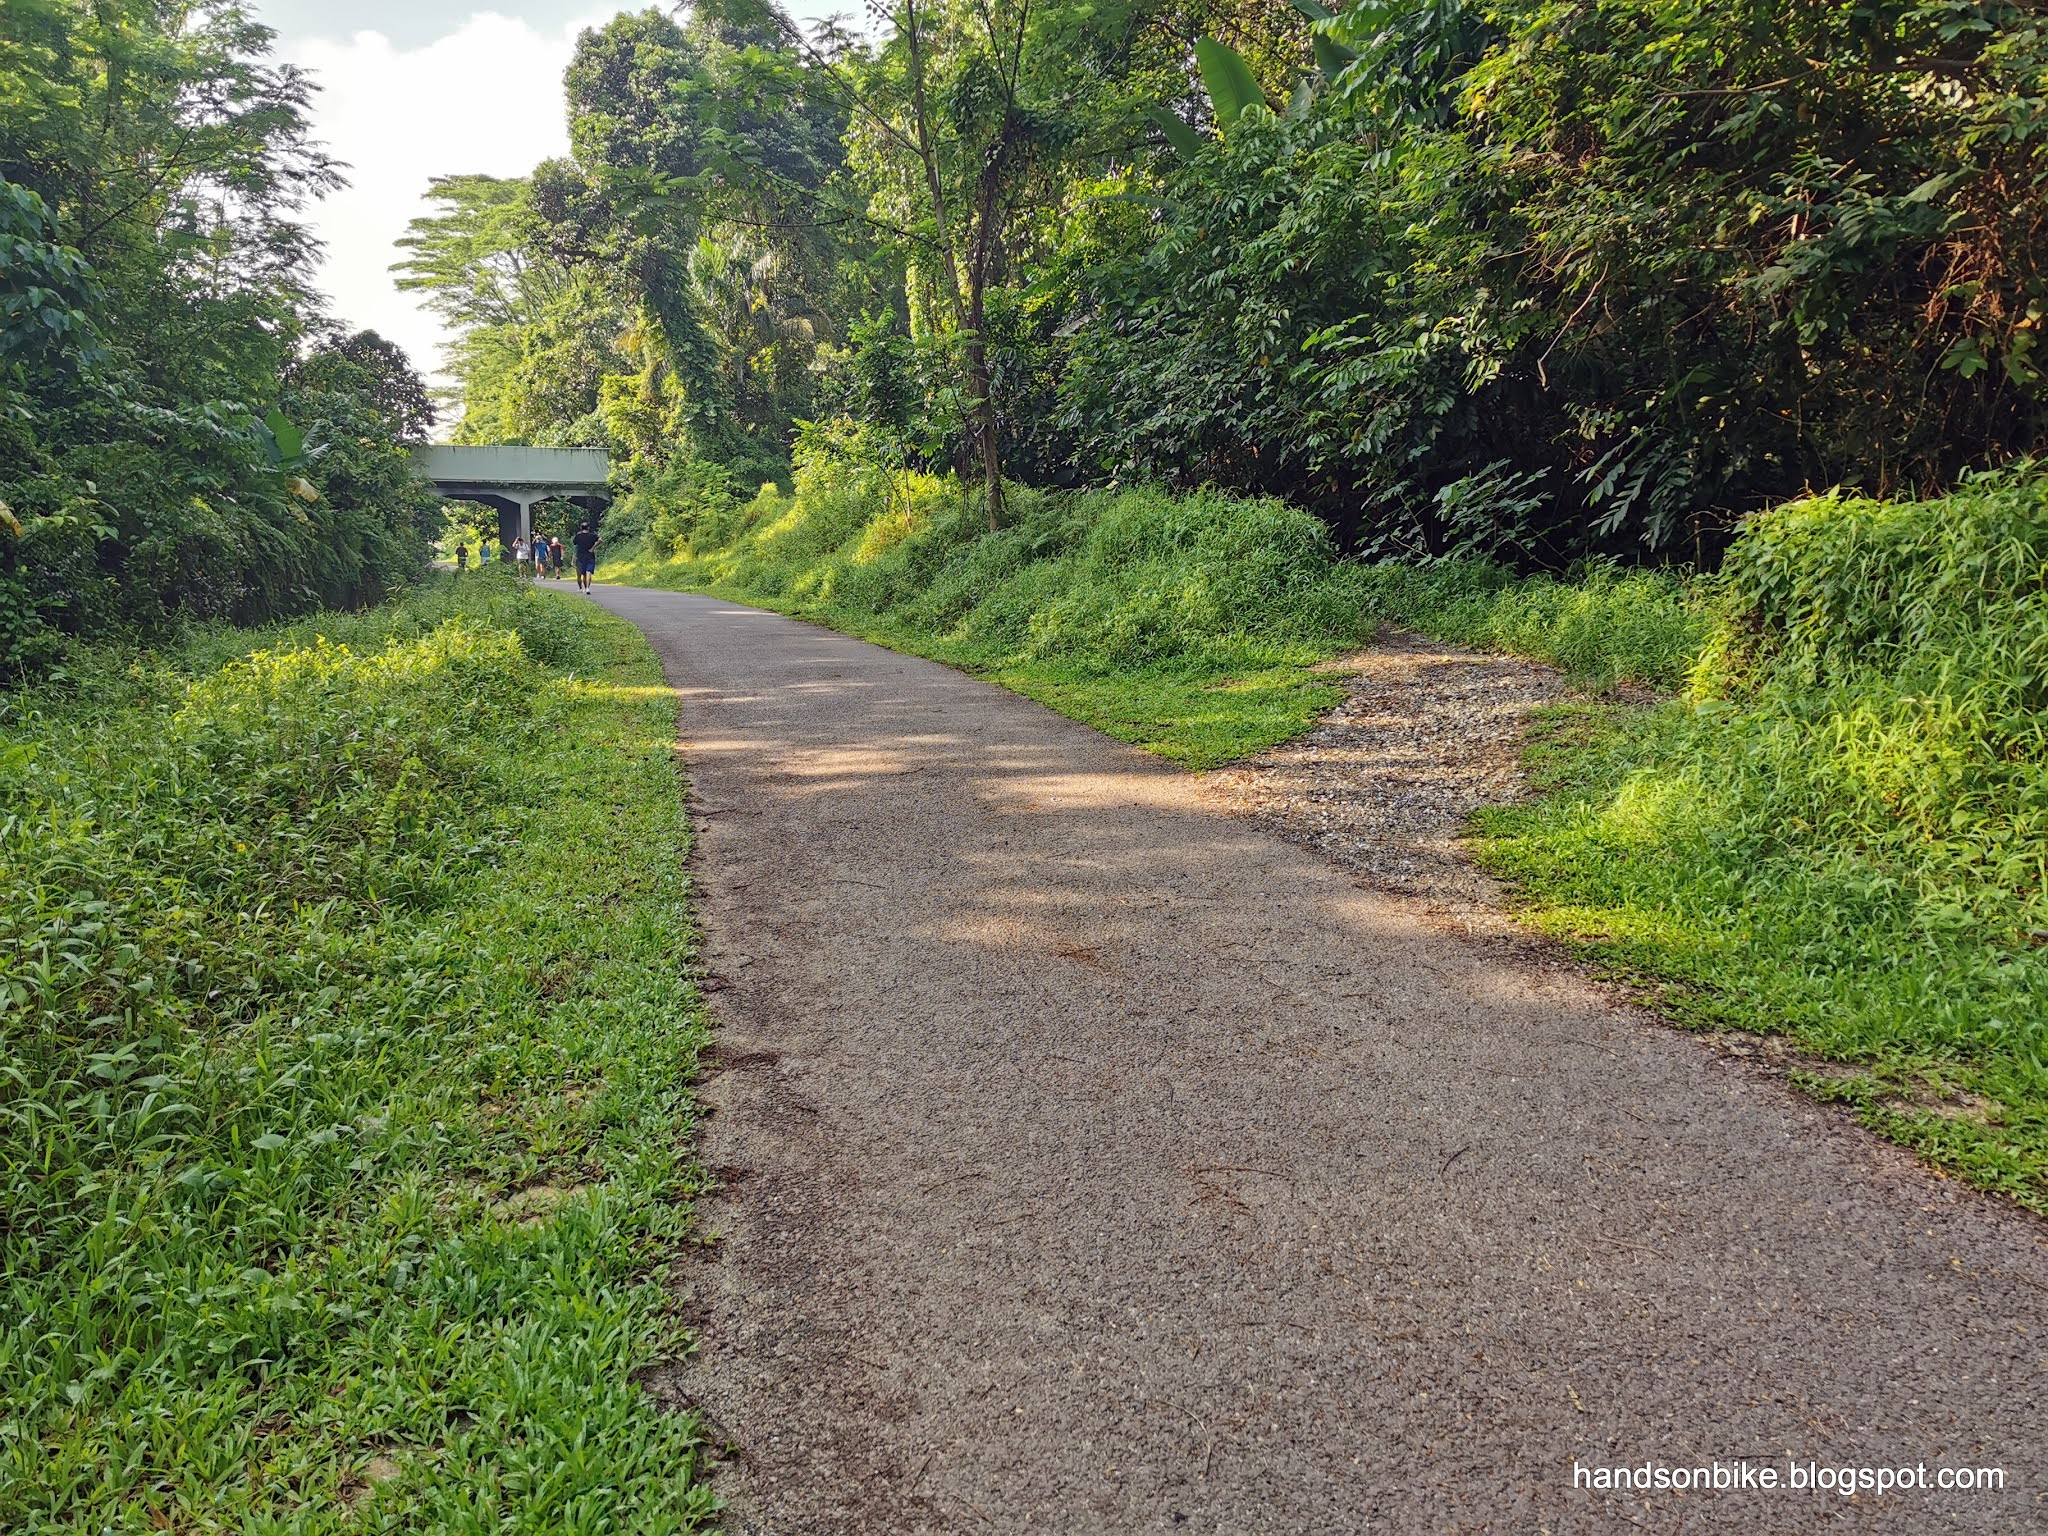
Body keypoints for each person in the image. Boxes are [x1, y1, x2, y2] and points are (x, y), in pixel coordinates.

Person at [571, 519, 600, 592]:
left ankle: (585, 588)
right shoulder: (592, 535)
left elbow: (575, 544)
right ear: (588, 528)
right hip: (590, 555)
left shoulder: (578, 536)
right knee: (589, 571)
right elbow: (600, 540)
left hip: (581, 557)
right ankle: (587, 588)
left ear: (581, 528)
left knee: (583, 573)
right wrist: (593, 548)